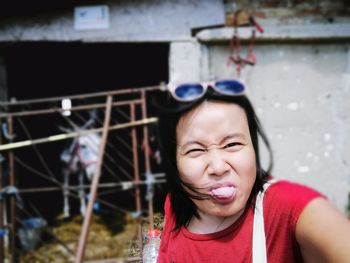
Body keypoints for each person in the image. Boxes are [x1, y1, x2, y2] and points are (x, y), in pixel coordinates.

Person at [151, 79, 350, 263]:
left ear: (253, 147)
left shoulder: (289, 207)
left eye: (232, 144)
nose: (218, 167)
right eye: (195, 150)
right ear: (174, 161)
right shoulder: (177, 203)